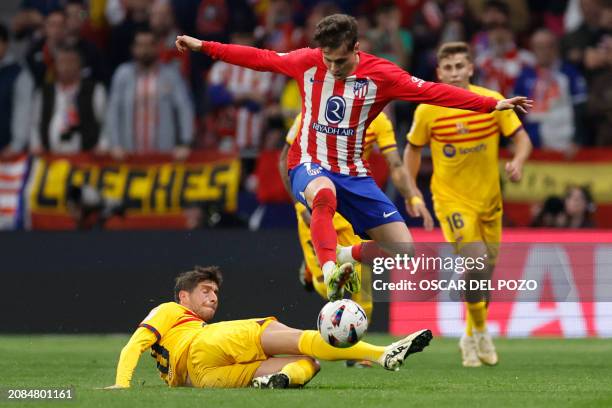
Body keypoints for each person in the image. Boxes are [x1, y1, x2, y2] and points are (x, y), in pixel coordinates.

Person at [176, 14, 531, 302]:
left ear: (357, 48)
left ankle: (343, 255)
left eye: (341, 60)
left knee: (403, 248)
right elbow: (260, 58)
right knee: (324, 193)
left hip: (353, 171)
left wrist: (490, 104)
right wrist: (204, 46)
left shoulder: (382, 75)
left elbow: (434, 92)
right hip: (307, 162)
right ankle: (331, 270)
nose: (332, 67)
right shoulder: (308, 63)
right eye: (327, 59)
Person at [404, 42, 532, 368]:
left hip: (490, 201)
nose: (455, 72)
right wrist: (411, 192)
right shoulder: (428, 108)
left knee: (483, 277)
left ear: (471, 68)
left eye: (460, 66)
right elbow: (414, 149)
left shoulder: (491, 101)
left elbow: (522, 139)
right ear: (438, 73)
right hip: (451, 200)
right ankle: (479, 332)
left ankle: (474, 331)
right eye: (448, 68)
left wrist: (517, 160)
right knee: (474, 264)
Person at [103, 266, 433, 389]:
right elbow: (134, 345)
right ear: (183, 295)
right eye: (206, 290)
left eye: (216, 292)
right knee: (296, 339)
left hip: (198, 380)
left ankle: (279, 381)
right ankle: (383, 353)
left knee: (307, 364)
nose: (213, 297)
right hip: (203, 346)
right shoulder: (169, 309)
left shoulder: (185, 325)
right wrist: (122, 384)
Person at [106, 29, 194, 160]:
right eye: (140, 45)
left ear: (157, 47)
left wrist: (185, 142)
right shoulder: (122, 75)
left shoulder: (171, 75)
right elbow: (113, 111)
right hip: (128, 155)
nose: (145, 50)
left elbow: (184, 109)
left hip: (164, 155)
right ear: (133, 48)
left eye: (149, 45)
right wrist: (114, 144)